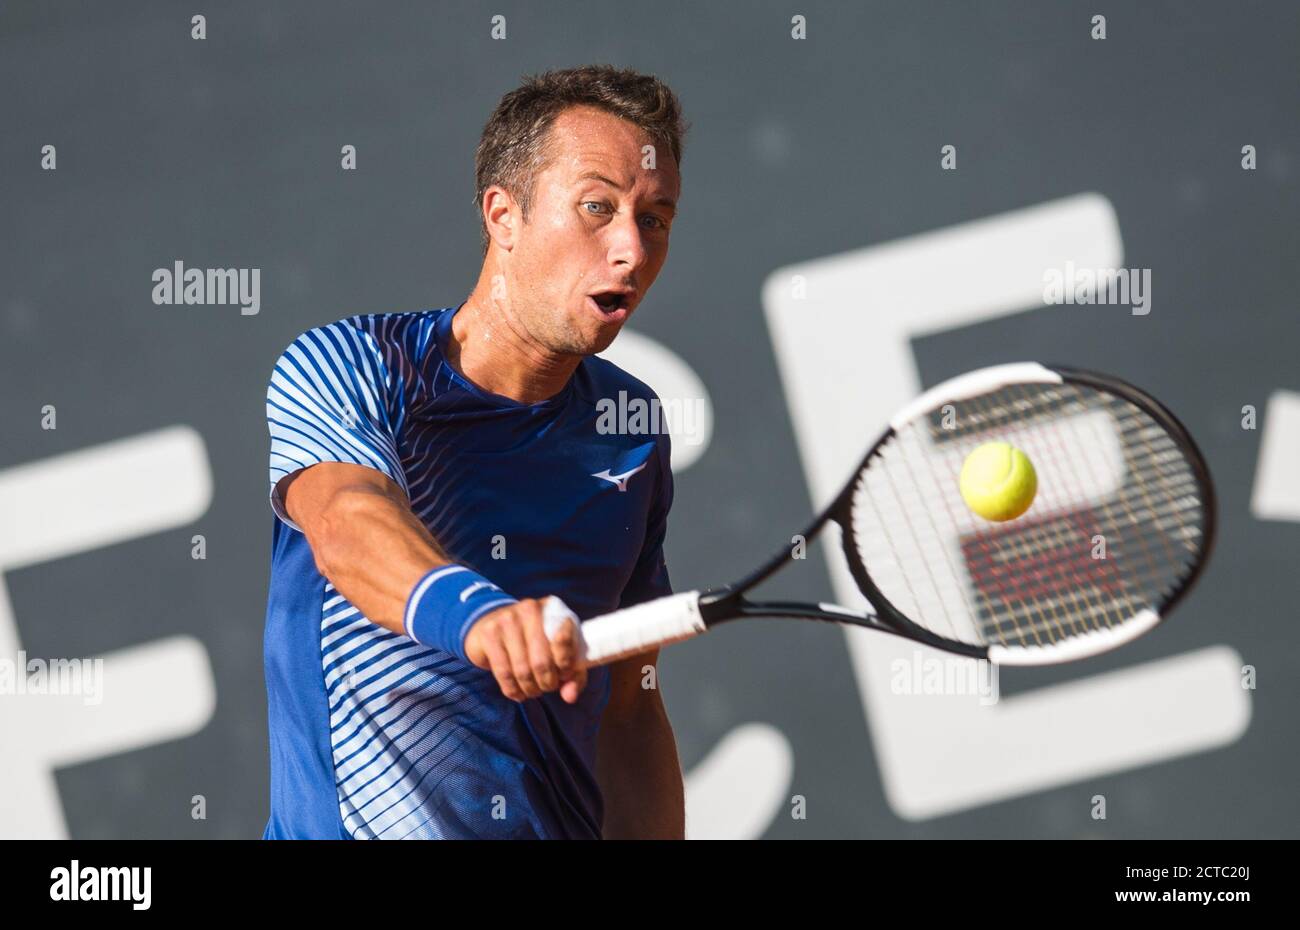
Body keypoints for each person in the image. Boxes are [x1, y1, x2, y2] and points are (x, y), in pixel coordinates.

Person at [261, 65, 688, 839]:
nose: (630, 248)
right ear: (503, 214)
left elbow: (628, 709)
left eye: (655, 218)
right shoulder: (351, 365)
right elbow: (347, 527)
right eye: (597, 208)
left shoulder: (631, 426)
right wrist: (481, 619)